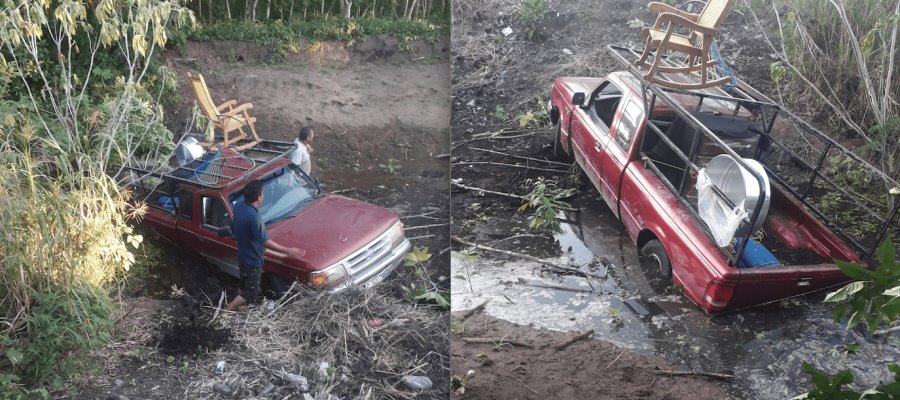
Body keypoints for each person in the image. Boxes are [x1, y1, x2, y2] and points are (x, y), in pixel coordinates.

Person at [226, 179, 303, 311]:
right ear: (259, 197)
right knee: (251, 291)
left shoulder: (239, 206)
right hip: (252, 259)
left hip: (243, 255)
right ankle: (228, 310)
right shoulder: (254, 217)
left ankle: (240, 309)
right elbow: (264, 240)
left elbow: (235, 226)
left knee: (244, 284)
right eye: (263, 193)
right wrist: (287, 251)